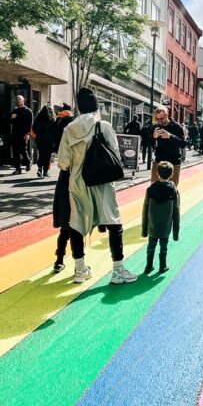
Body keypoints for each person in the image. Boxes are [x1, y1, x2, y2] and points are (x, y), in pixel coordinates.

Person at [58, 87, 137, 285]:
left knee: (76, 224)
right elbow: (116, 157)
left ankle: (80, 269)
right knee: (113, 222)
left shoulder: (68, 129)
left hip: (77, 182)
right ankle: (118, 270)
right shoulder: (103, 126)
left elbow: (63, 163)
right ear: (95, 107)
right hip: (101, 182)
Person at [141, 161, 180, 273]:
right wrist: (175, 234)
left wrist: (144, 231)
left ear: (157, 173)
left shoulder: (150, 189)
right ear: (171, 174)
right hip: (165, 226)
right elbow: (176, 213)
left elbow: (145, 210)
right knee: (164, 247)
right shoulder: (173, 190)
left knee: (151, 246)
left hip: (152, 226)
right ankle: (162, 266)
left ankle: (148, 266)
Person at [151, 107, 186, 185]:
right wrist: (154, 136)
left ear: (167, 115)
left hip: (173, 162)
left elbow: (183, 144)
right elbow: (148, 143)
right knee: (153, 189)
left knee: (171, 190)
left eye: (161, 118)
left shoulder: (176, 126)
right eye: (157, 119)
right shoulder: (155, 127)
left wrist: (170, 136)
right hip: (159, 161)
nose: (159, 121)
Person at [10, 95, 33, 174]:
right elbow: (10, 122)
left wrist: (27, 134)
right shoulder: (15, 110)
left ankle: (28, 162)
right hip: (15, 134)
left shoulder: (28, 111)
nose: (18, 100)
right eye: (17, 99)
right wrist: (12, 118)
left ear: (23, 100)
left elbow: (30, 124)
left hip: (23, 134)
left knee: (23, 150)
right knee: (15, 151)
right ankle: (18, 169)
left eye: (20, 99)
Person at [33, 105, 56, 178]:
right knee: (47, 155)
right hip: (48, 139)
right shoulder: (51, 119)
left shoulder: (38, 118)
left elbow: (34, 128)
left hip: (39, 138)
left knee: (41, 154)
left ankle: (39, 168)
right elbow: (53, 129)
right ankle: (45, 171)